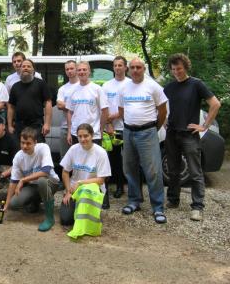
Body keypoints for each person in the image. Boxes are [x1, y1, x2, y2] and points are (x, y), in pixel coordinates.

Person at [163, 53, 221, 222]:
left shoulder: (196, 84)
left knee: (195, 172)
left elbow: (215, 104)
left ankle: (197, 207)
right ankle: (173, 200)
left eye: (179, 68)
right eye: (173, 69)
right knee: (173, 170)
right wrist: (164, 120)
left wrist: (204, 126)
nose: (176, 72)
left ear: (186, 67)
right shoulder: (169, 87)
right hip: (172, 133)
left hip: (189, 135)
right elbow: (160, 105)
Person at [117, 58, 168, 224]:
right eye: (132, 67)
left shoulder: (153, 86)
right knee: (130, 168)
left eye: (138, 67)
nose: (135, 70)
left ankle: (158, 207)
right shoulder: (124, 87)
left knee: (152, 171)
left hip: (147, 132)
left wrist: (153, 128)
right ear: (128, 69)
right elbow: (121, 109)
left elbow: (162, 111)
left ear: (144, 69)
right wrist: (130, 125)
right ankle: (134, 201)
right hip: (128, 132)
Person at [1, 127, 61, 232]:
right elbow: (13, 181)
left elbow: (46, 171)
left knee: (42, 180)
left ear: (35, 142)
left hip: (51, 181)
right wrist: (6, 205)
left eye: (28, 143)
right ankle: (35, 202)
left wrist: (23, 180)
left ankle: (49, 219)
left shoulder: (43, 148)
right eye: (22, 143)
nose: (24, 146)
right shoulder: (18, 157)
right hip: (33, 185)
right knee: (13, 204)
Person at [59, 124, 111, 225]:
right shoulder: (73, 149)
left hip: (93, 189)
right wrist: (68, 191)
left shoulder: (101, 152)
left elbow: (101, 180)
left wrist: (81, 183)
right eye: (80, 136)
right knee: (66, 220)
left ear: (92, 135)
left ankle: (90, 210)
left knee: (87, 221)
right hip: (74, 189)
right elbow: (65, 172)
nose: (83, 139)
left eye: (86, 136)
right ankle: (78, 208)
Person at [101, 56, 132, 199]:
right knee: (114, 160)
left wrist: (116, 116)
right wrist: (108, 124)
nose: (118, 68)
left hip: (129, 128)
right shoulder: (107, 85)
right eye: (115, 65)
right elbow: (104, 107)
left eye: (120, 65)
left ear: (126, 67)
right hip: (112, 129)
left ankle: (131, 188)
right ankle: (119, 186)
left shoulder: (131, 84)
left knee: (130, 160)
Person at [7, 60, 52, 143]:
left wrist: (47, 124)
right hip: (19, 125)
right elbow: (11, 107)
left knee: (37, 151)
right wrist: (9, 125)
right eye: (23, 66)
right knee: (19, 151)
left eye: (28, 66)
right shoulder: (15, 86)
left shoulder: (41, 84)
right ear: (20, 70)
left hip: (36, 125)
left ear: (33, 70)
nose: (25, 68)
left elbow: (48, 103)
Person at [66, 61, 109, 146]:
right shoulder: (72, 90)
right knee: (78, 159)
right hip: (76, 134)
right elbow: (70, 112)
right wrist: (69, 132)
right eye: (79, 70)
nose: (82, 72)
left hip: (93, 134)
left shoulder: (97, 89)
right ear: (77, 72)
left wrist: (101, 129)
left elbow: (105, 111)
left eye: (84, 70)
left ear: (89, 71)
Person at [56, 60, 79, 160]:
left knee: (80, 159)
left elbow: (63, 104)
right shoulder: (63, 88)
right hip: (65, 128)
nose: (69, 71)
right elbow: (59, 105)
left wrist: (68, 106)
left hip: (81, 127)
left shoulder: (82, 86)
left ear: (76, 69)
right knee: (65, 159)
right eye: (67, 69)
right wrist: (78, 106)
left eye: (71, 68)